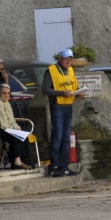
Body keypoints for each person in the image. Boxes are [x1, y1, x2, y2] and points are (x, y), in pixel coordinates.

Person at [42, 48, 82, 177]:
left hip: (68, 106)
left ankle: (64, 166)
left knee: (66, 138)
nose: (68, 62)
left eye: (70, 59)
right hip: (57, 106)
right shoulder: (51, 71)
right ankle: (54, 165)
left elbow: (73, 87)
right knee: (57, 137)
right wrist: (61, 93)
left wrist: (78, 93)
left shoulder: (70, 70)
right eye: (66, 59)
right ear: (60, 59)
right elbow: (45, 90)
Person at [0, 83, 34, 169]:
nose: (6, 95)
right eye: (4, 93)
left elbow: (11, 120)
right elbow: (2, 123)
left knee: (22, 134)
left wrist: (17, 128)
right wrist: (15, 131)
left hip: (1, 128)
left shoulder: (7, 103)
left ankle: (25, 161)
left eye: (8, 93)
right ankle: (17, 162)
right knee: (15, 136)